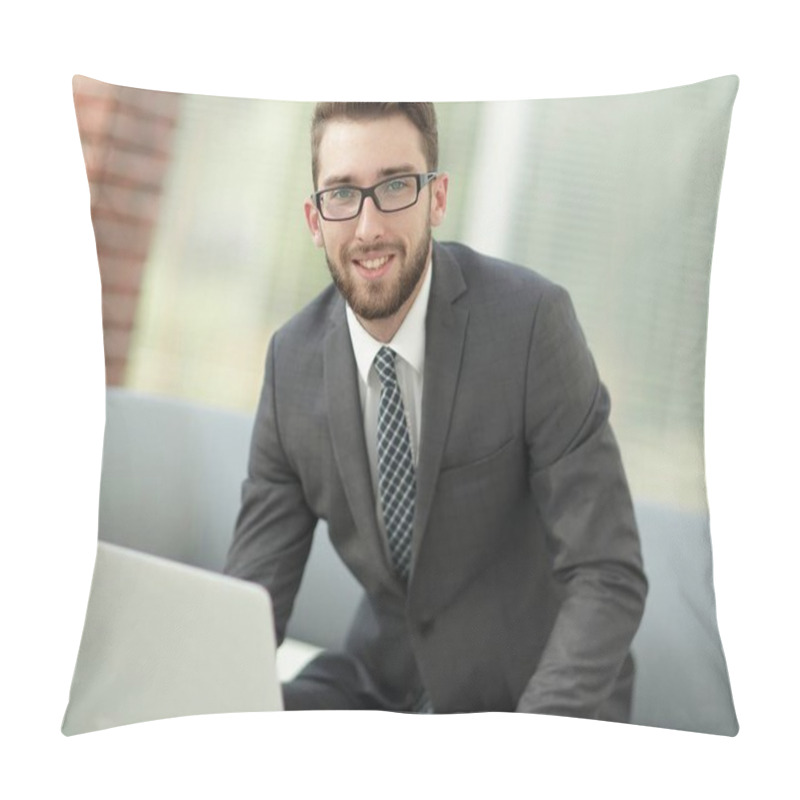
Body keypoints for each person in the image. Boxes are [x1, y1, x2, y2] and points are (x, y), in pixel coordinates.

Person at [224, 102, 647, 720]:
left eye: (395, 186)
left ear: (437, 197)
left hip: (532, 690)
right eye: (342, 194)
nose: (368, 226)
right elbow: (251, 600)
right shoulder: (292, 362)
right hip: (381, 680)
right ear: (315, 220)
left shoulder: (530, 325)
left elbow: (607, 575)